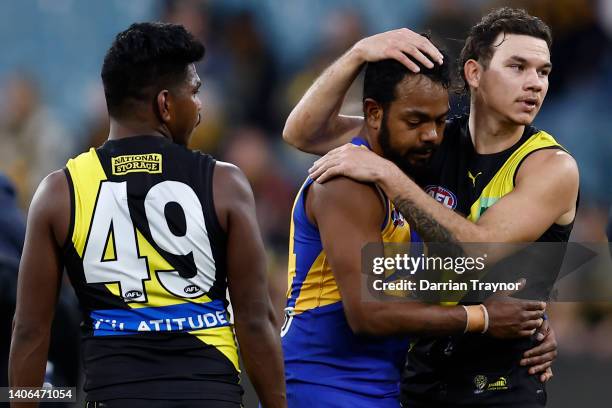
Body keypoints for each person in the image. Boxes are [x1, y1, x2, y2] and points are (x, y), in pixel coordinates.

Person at [284, 8, 576, 407]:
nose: (534, 84)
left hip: (499, 383)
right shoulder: (428, 137)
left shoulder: (550, 165)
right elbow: (301, 132)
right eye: (518, 66)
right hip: (421, 374)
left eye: (543, 72)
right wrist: (357, 54)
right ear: (473, 73)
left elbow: (479, 251)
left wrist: (388, 175)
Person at [9, 22, 286, 408]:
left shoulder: (59, 193)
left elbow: (29, 332)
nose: (201, 106)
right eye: (195, 92)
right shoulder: (225, 184)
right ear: (165, 104)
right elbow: (256, 323)